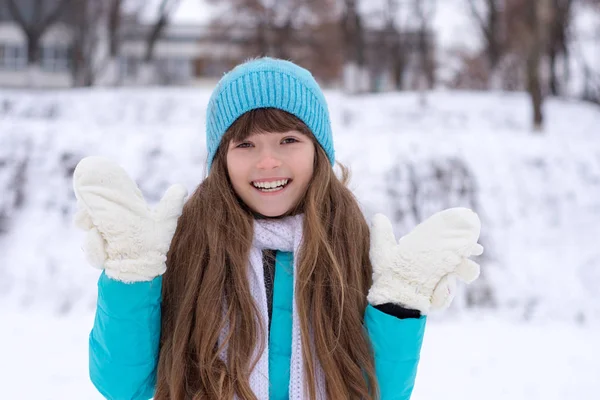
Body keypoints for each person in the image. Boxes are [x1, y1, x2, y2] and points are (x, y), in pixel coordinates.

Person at [73, 57, 483, 400]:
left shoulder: (350, 246)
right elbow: (124, 386)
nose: (267, 162)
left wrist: (400, 304)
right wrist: (132, 273)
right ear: (221, 160)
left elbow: (378, 393)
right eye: (246, 145)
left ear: (319, 151)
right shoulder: (189, 245)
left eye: (288, 140)